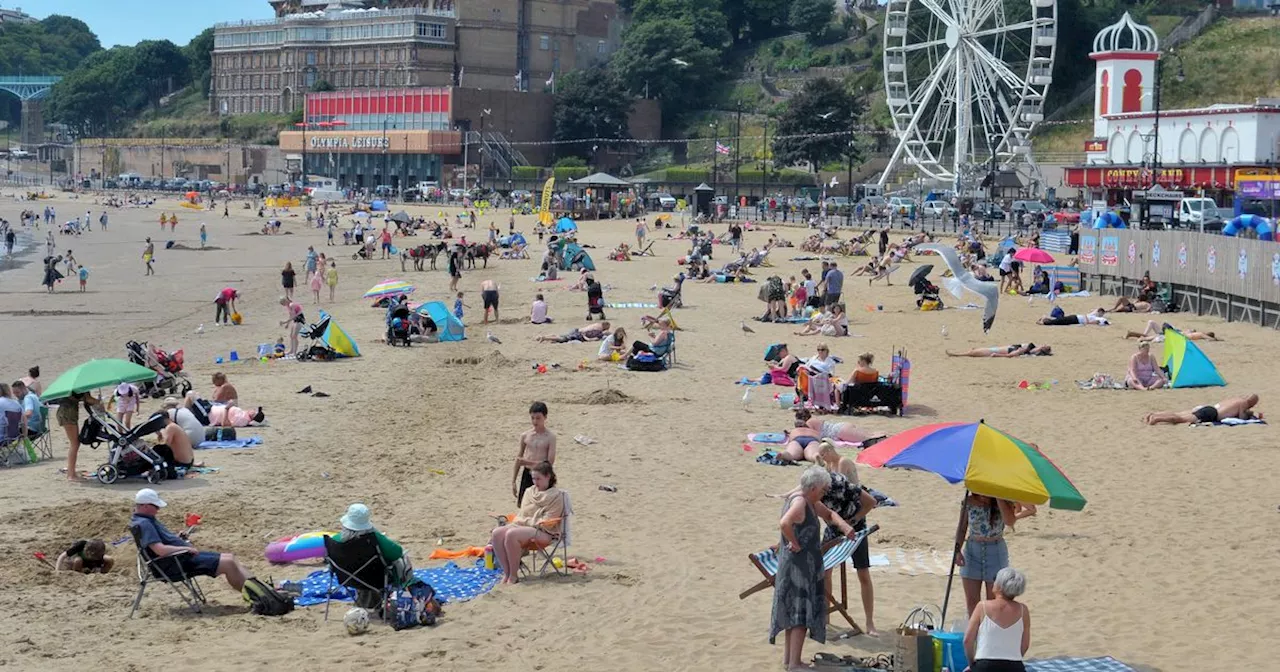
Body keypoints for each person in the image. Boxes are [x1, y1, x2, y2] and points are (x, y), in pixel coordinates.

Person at [770, 467, 861, 671]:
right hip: (797, 567)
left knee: (794, 614)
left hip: (804, 565)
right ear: (812, 487)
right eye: (822, 489)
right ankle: (794, 664)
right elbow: (784, 523)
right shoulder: (800, 502)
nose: (825, 492)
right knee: (800, 614)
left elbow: (829, 514)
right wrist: (794, 543)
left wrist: (845, 527)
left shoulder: (810, 501)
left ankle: (790, 660)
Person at [131, 488, 253, 591]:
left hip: (178, 558)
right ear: (145, 506)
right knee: (228, 563)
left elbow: (160, 544)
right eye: (156, 506)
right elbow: (160, 550)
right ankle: (255, 596)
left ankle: (259, 588)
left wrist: (177, 539)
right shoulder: (144, 524)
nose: (158, 509)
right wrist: (185, 548)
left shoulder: (145, 519)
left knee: (230, 557)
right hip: (175, 564)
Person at [491, 460, 565, 585]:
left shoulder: (557, 496)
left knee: (511, 534)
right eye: (533, 479)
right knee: (497, 533)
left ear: (548, 477)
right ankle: (507, 572)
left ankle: (513, 576)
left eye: (538, 479)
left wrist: (525, 521)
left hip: (544, 532)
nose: (535, 482)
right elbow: (522, 513)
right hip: (525, 525)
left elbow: (548, 522)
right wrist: (525, 521)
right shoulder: (529, 491)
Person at [955, 493, 1017, 616]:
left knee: (994, 602)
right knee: (972, 603)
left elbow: (1010, 521)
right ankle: (975, 632)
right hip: (972, 550)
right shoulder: (969, 501)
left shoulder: (1005, 500)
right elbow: (962, 527)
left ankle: (989, 633)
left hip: (996, 551)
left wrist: (999, 497)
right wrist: (957, 550)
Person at [335, 503, 414, 597]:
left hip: (348, 579)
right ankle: (404, 592)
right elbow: (397, 552)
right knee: (403, 559)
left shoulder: (336, 540)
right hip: (377, 580)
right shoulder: (375, 539)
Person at [964, 567, 1031, 672]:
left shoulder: (982, 606)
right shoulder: (1023, 610)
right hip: (1014, 666)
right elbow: (1025, 645)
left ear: (1000, 586)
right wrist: (1014, 658)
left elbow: (968, 640)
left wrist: (972, 664)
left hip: (985, 665)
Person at [512, 402, 557, 506]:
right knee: (525, 505)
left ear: (545, 417)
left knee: (543, 505)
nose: (535, 421)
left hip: (543, 474)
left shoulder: (550, 437)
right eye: (532, 418)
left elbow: (549, 462)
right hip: (527, 474)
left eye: (538, 418)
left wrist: (527, 462)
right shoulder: (525, 435)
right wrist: (513, 481)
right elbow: (518, 459)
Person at [57, 392, 102, 480]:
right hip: (68, 413)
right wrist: (98, 402)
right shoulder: (80, 386)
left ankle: (71, 472)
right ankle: (71, 474)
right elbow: (88, 399)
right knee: (75, 443)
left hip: (67, 412)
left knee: (75, 443)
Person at [1143, 394, 1261, 426]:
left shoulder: (1236, 399)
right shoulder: (1244, 404)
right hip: (1211, 414)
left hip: (1209, 407)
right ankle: (1156, 419)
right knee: (1180, 419)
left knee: (1178, 413)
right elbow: (1241, 418)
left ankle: (1153, 414)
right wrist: (1250, 415)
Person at [154, 412, 196, 478]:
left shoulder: (170, 428)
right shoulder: (175, 426)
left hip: (181, 463)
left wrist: (159, 434)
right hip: (188, 461)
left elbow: (164, 447)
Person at [1125, 320, 1218, 343]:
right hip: (1176, 334)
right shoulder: (1197, 334)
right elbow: (1207, 337)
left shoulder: (1195, 333)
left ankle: (1135, 335)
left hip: (1175, 334)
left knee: (1153, 336)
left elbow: (1204, 335)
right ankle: (1137, 336)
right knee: (1153, 337)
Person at [536, 321, 610, 343]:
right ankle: (544, 338)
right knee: (562, 339)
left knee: (561, 336)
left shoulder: (597, 324)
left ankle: (543, 337)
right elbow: (590, 339)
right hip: (578, 335)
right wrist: (584, 336)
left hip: (577, 330)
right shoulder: (599, 333)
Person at [947, 344, 1053, 358]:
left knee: (973, 353)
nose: (1044, 345)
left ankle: (956, 354)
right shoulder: (1031, 348)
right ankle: (959, 354)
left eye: (1045, 346)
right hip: (999, 348)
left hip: (998, 351)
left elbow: (1010, 355)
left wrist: (996, 355)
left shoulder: (1025, 351)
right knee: (976, 351)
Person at [1036, 308, 1108, 326]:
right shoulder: (1095, 316)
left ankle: (1044, 319)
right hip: (1075, 318)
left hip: (1075, 318)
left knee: (1058, 321)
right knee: (1056, 322)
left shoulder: (1094, 315)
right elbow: (1095, 321)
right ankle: (1043, 319)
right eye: (1102, 314)